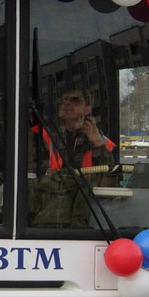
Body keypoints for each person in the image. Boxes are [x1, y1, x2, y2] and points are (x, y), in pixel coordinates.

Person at [28, 87, 118, 227]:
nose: (67, 103)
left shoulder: (102, 142)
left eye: (75, 100)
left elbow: (108, 181)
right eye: (63, 101)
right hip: (47, 217)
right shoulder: (43, 134)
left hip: (86, 219)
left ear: (88, 109)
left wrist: (97, 143)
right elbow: (30, 173)